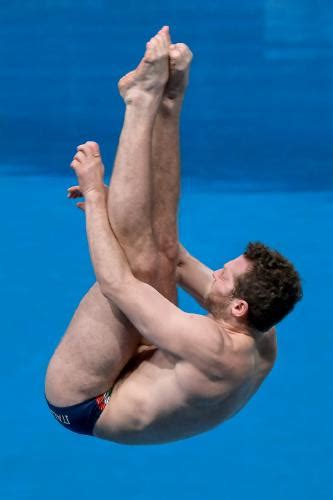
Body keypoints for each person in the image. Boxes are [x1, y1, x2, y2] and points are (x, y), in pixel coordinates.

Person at [45, 26, 303, 445]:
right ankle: (166, 100)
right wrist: (106, 195)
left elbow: (117, 283)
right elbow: (176, 255)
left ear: (238, 306)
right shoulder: (261, 332)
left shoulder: (213, 346)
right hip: (148, 366)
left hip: (87, 401)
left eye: (222, 274)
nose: (213, 272)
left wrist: (95, 198)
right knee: (162, 252)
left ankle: (139, 102)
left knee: (141, 264)